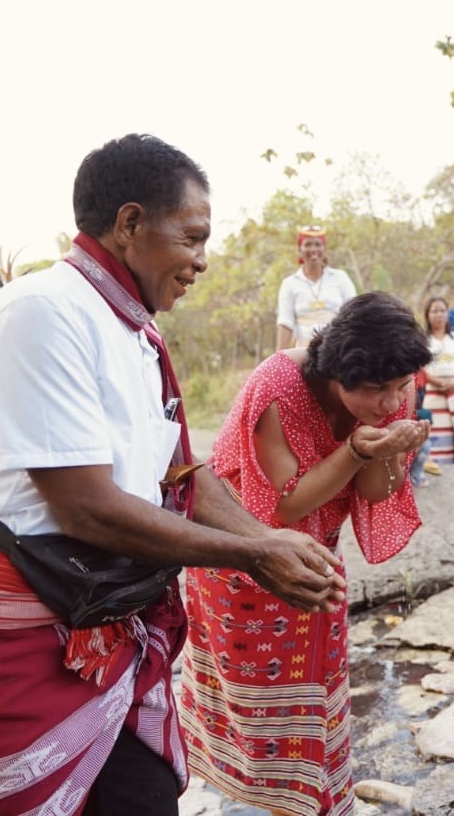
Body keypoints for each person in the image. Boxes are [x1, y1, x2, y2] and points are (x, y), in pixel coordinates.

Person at [0, 134, 347, 816]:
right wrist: (254, 553)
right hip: (21, 629)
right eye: (193, 237)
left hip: (97, 615)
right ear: (131, 223)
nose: (202, 261)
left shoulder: (134, 332)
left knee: (140, 795)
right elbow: (86, 506)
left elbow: (179, 473)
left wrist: (271, 542)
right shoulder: (43, 313)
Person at [181, 292, 430, 816]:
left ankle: (321, 801)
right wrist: (361, 449)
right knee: (266, 714)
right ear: (338, 373)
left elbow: (376, 493)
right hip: (246, 560)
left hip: (316, 555)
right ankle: (279, 802)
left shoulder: (392, 387)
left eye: (401, 388)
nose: (390, 403)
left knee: (318, 692)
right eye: (376, 390)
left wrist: (390, 450)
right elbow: (287, 504)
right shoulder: (281, 386)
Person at [276, 225, 358, 349]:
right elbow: (285, 323)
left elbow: (354, 314)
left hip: (336, 349)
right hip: (303, 350)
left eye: (318, 244)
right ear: (300, 249)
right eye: (308, 244)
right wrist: (279, 358)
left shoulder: (340, 278)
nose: (313, 249)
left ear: (324, 249)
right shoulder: (289, 284)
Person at [422, 296, 454, 464]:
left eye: (442, 311)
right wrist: (438, 382)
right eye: (434, 311)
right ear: (428, 315)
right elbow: (420, 368)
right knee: (435, 430)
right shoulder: (423, 340)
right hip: (433, 394)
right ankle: (432, 465)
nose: (439, 315)